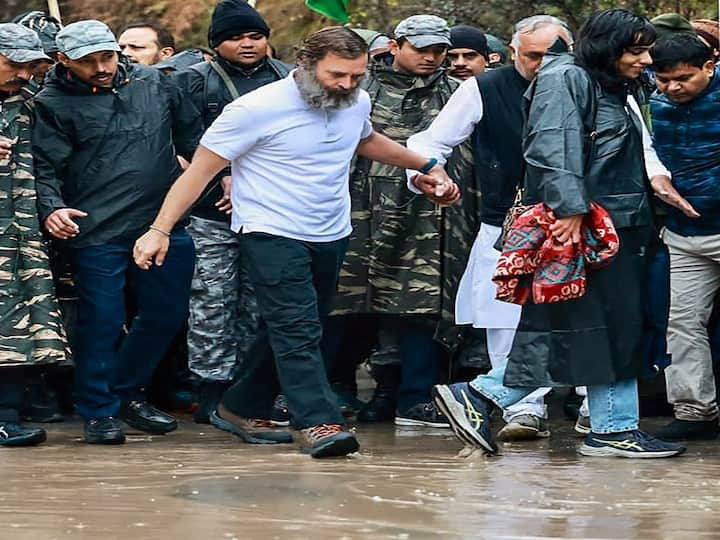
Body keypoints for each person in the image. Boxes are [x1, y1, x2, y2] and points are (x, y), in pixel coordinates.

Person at [133, 26, 459, 458]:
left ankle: (239, 405)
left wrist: (426, 164)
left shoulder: (355, 101)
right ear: (305, 65)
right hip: (270, 230)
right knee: (299, 328)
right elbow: (198, 172)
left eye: (356, 76)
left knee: (298, 325)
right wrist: (159, 230)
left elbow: (364, 140)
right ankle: (319, 421)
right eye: (337, 75)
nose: (346, 85)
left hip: (330, 229)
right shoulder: (254, 109)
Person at [430, 8, 689, 458]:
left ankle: (612, 427)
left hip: (616, 223)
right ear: (608, 47)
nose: (646, 60)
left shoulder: (609, 82)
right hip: (586, 225)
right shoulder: (566, 78)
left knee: (606, 327)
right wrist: (568, 211)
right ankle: (483, 396)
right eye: (637, 50)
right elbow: (552, 144)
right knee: (574, 325)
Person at [33, 20, 201, 445]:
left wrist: (222, 174)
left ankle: (125, 392)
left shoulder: (157, 83)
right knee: (102, 322)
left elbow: (193, 139)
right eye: (88, 62)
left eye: (106, 56)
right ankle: (98, 410)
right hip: (96, 229)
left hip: (161, 224)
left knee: (168, 313)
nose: (101, 67)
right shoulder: (51, 103)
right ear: (63, 60)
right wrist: (52, 208)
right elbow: (44, 167)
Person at [407, 15, 573, 441]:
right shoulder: (484, 87)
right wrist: (429, 173)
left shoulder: (589, 82)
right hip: (507, 222)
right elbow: (428, 142)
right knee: (506, 317)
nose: (545, 64)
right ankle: (522, 408)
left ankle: (595, 407)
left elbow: (639, 145)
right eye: (534, 55)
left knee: (585, 317)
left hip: (578, 225)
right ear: (513, 53)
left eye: (556, 54)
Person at [329, 15, 472, 428]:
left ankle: (416, 398)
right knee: (343, 301)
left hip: (425, 214)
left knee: (419, 306)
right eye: (421, 49)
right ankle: (335, 389)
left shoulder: (457, 92)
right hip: (355, 209)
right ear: (395, 46)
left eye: (438, 50)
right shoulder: (359, 88)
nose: (431, 58)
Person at [173, 0, 292, 423]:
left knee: (261, 305)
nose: (247, 44)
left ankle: (251, 390)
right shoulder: (193, 82)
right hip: (210, 214)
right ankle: (211, 388)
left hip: (274, 213)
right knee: (211, 302)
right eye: (236, 37)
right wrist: (221, 174)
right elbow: (186, 144)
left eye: (255, 36)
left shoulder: (289, 80)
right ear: (216, 43)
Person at [0, 23, 69, 447]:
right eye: (14, 65)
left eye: (31, 67)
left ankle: (7, 413)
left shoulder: (29, 105)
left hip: (19, 232)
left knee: (20, 324)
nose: (24, 74)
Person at [649, 34, 720, 441]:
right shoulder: (651, 104)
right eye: (664, 78)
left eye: (684, 78)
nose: (673, 87)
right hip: (684, 233)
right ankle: (695, 411)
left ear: (709, 66)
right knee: (682, 323)